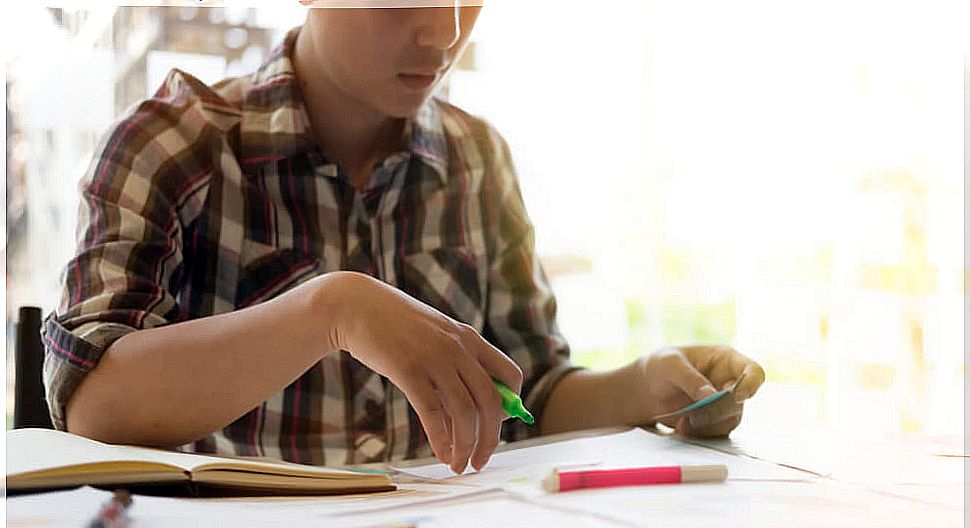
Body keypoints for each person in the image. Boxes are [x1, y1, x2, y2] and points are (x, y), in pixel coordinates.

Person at [43, 2, 765, 474]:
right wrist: (330, 311)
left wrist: (643, 388)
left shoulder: (478, 160)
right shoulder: (173, 145)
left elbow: (532, 396)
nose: (445, 33)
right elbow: (93, 407)